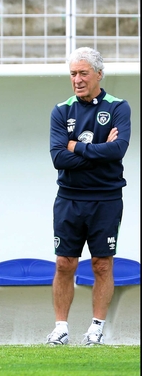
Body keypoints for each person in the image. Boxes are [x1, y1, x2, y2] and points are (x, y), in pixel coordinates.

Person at [46, 47, 130, 346]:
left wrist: (76, 147)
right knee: (64, 263)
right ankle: (60, 327)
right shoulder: (62, 109)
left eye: (83, 73)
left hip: (106, 198)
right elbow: (58, 157)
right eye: (73, 74)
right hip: (69, 198)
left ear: (98, 74)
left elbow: (118, 150)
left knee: (102, 264)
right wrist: (97, 152)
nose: (77, 80)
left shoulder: (119, 107)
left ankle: (96, 327)